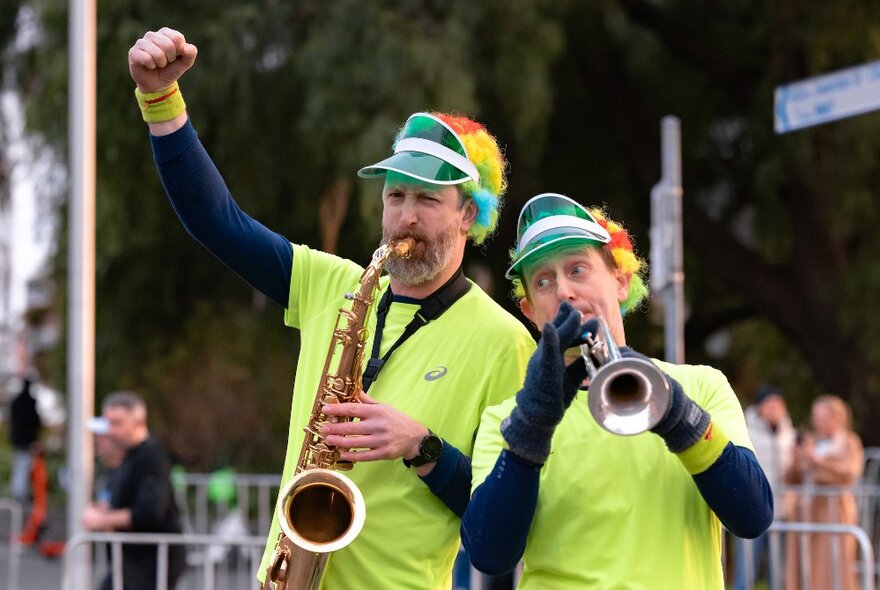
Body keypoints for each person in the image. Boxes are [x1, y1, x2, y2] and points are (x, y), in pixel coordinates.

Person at [126, 28, 535, 589]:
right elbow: (215, 220)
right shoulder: (332, 282)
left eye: (427, 200)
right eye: (395, 196)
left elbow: (504, 525)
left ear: (468, 215)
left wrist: (422, 447)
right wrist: (161, 100)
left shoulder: (505, 341)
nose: (405, 218)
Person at [462, 193, 774, 589]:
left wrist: (677, 414)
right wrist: (531, 428)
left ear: (622, 281)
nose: (563, 292)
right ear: (531, 313)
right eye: (543, 281)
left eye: (578, 269)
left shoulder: (702, 384)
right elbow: (491, 556)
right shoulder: (506, 419)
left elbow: (753, 516)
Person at [81, 391, 187, 590]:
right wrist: (106, 510)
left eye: (117, 423)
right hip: (132, 564)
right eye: (108, 423)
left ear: (138, 422)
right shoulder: (129, 455)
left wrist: (103, 520)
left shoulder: (151, 456)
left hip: (151, 564)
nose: (110, 431)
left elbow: (150, 511)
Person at [784, 394, 864, 590]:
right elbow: (792, 479)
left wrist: (816, 462)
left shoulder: (849, 442)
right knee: (805, 567)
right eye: (816, 417)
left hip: (833, 513)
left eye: (822, 417)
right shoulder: (812, 441)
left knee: (832, 568)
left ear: (837, 418)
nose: (817, 422)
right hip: (807, 513)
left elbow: (848, 474)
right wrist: (796, 462)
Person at [734, 384, 796, 589]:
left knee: (777, 571)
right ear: (760, 407)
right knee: (746, 569)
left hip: (781, 510)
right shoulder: (744, 431)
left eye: (780, 405)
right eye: (771, 404)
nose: (776, 409)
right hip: (753, 507)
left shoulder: (790, 434)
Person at [8, 376, 41, 504]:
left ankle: (19, 491)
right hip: (27, 440)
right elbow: (35, 421)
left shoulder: (17, 401)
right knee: (24, 465)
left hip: (18, 439)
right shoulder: (30, 402)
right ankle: (20, 493)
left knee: (20, 465)